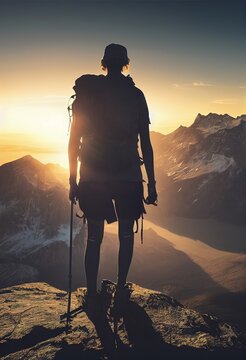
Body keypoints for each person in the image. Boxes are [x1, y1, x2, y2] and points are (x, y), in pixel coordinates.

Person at [68, 43, 157, 318]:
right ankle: (120, 289)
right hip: (128, 174)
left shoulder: (88, 95)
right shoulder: (136, 95)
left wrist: (72, 179)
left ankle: (93, 295)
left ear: (104, 63)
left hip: (93, 174)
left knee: (94, 237)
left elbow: (73, 142)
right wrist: (151, 183)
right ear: (126, 63)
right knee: (126, 233)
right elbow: (146, 142)